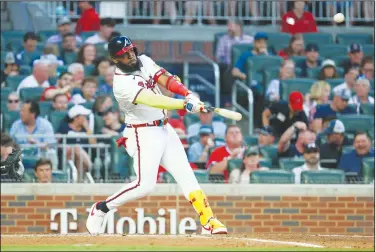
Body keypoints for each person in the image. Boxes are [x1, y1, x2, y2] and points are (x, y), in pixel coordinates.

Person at [86, 36, 227, 235]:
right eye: (124, 55)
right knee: (145, 185)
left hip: (164, 128)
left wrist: (187, 94)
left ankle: (208, 221)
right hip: (142, 133)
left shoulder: (142, 60)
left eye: (131, 50)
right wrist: (183, 104)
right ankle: (101, 209)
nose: (130, 55)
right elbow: (152, 100)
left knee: (186, 175)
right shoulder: (121, 84)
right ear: (116, 59)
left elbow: (165, 79)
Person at [57, 105, 95, 176]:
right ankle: (91, 166)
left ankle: (79, 182)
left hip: (82, 157)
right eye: (83, 116)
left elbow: (93, 144)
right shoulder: (64, 127)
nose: (85, 118)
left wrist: (87, 128)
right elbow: (57, 141)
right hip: (67, 156)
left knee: (80, 158)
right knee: (76, 147)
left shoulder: (86, 130)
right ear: (75, 117)